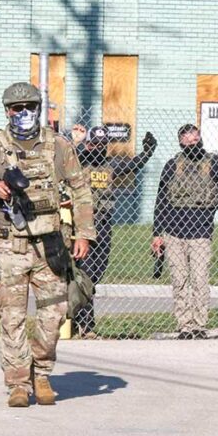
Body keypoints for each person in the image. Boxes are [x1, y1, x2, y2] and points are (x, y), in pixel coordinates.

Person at [0, 82, 94, 408]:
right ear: (7, 111)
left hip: (49, 245)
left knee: (55, 314)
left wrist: (83, 233)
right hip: (10, 247)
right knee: (12, 317)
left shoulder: (59, 146)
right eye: (16, 108)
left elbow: (81, 190)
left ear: (39, 108)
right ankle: (18, 383)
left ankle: (42, 372)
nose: (23, 113)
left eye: (29, 107)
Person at [150, 123, 218, 339]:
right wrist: (157, 233)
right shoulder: (173, 165)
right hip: (173, 233)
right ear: (180, 142)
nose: (192, 140)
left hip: (201, 233)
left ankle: (199, 325)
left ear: (200, 137)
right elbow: (161, 199)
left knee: (200, 280)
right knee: (179, 281)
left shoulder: (212, 162)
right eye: (187, 137)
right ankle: (185, 325)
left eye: (195, 135)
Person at [70, 124, 156, 338]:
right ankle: (85, 324)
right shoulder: (80, 162)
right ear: (89, 144)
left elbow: (133, 165)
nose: (99, 147)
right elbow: (65, 158)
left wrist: (147, 152)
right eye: (95, 143)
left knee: (98, 271)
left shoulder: (110, 166)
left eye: (103, 144)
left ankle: (79, 318)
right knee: (86, 273)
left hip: (104, 224)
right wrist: (77, 143)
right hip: (84, 223)